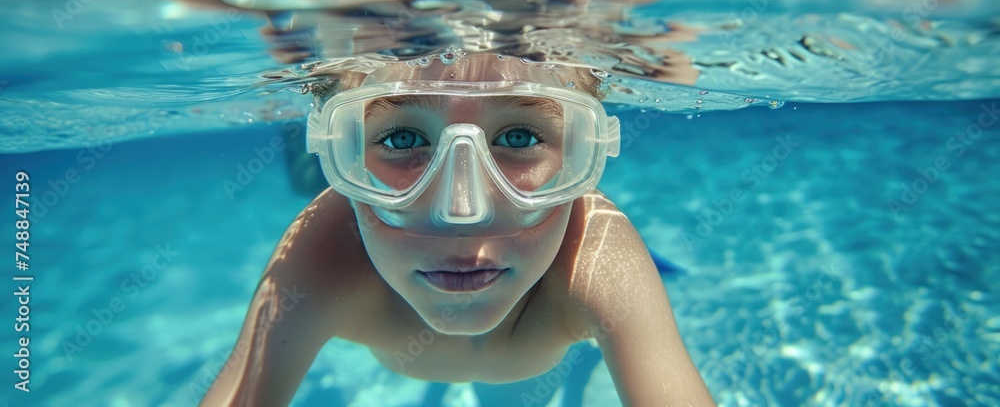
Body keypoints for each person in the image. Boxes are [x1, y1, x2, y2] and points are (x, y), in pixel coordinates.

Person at [201, 50, 715, 407]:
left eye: (519, 137)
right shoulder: (327, 253)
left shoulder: (596, 255)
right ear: (340, 149)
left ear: (587, 151)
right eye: (402, 140)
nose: (462, 213)